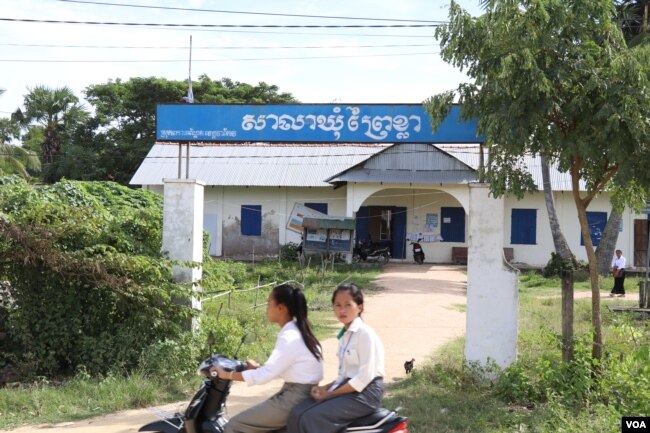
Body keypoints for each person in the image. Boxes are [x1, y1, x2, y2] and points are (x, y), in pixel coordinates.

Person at [210, 283, 323, 433]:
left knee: (234, 426)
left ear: (281, 308)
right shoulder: (299, 331)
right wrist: (258, 368)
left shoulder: (289, 337)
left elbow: (264, 377)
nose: (266, 307)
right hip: (300, 393)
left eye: (269, 303)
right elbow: (283, 367)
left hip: (294, 397)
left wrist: (227, 375)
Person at [287, 283, 385, 433]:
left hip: (366, 393)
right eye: (337, 305)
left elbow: (363, 378)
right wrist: (325, 388)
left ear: (360, 307)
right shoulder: (345, 335)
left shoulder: (365, 334)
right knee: (297, 412)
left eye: (348, 305)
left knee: (313, 417)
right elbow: (345, 375)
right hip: (349, 387)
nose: (342, 310)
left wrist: (331, 393)